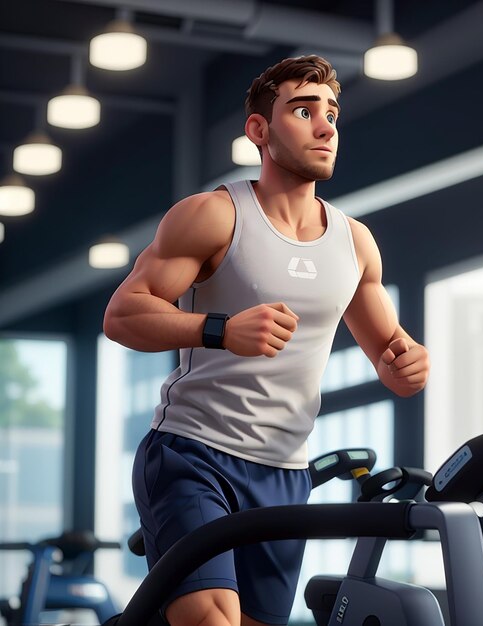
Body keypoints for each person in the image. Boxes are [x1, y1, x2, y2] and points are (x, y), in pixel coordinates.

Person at [103, 55, 430, 626]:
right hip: (191, 453)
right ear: (259, 130)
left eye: (331, 113)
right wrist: (221, 331)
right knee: (211, 620)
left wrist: (408, 364)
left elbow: (391, 353)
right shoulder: (213, 216)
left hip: (285, 472)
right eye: (304, 112)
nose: (326, 127)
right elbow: (123, 315)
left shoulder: (355, 244)